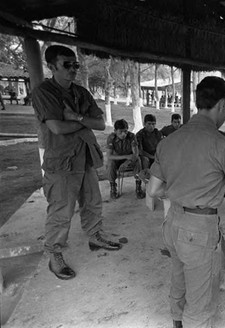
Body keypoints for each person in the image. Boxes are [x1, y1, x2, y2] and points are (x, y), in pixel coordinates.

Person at [147, 76, 225, 328]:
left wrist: (181, 189)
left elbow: (153, 189)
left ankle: (177, 323)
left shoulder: (169, 141)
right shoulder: (223, 146)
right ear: (222, 104)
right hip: (199, 229)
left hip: (172, 223)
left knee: (179, 278)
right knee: (201, 301)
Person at [32, 45, 122, 281]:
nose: (73, 69)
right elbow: (57, 127)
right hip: (61, 161)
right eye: (66, 65)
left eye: (76, 65)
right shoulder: (44, 92)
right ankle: (55, 255)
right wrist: (85, 122)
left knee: (92, 201)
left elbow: (101, 124)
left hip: (85, 155)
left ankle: (95, 235)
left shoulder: (81, 92)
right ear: (51, 67)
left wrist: (77, 117)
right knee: (62, 210)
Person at [106, 119, 145, 199]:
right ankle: (113, 186)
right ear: (115, 131)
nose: (124, 134)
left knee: (138, 160)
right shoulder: (111, 138)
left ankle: (138, 186)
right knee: (110, 163)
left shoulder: (131, 136)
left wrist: (127, 162)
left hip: (130, 160)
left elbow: (136, 154)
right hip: (118, 159)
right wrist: (126, 157)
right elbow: (109, 156)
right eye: (120, 132)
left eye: (125, 131)